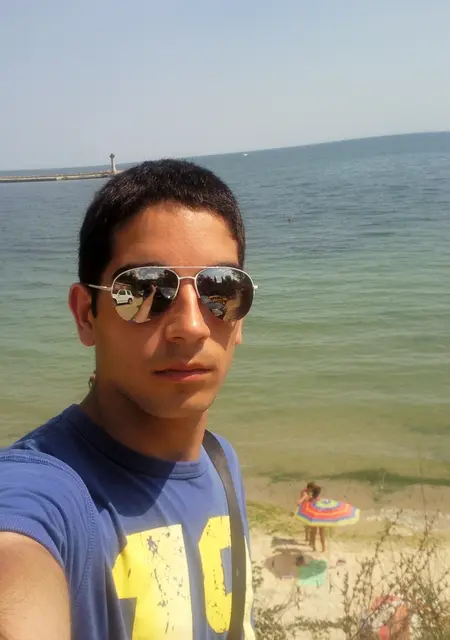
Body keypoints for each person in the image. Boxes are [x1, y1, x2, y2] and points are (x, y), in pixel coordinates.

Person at [0, 160, 258, 640]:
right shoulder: (50, 493)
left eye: (221, 290)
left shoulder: (221, 462)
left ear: (239, 319)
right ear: (86, 314)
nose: (192, 327)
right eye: (143, 290)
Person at [308, 486, 326, 553]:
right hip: (321, 518)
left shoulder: (310, 499)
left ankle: (314, 547)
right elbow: (323, 509)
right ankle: (323, 548)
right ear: (319, 493)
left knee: (313, 533)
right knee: (322, 533)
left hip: (314, 518)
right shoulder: (320, 500)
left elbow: (308, 508)